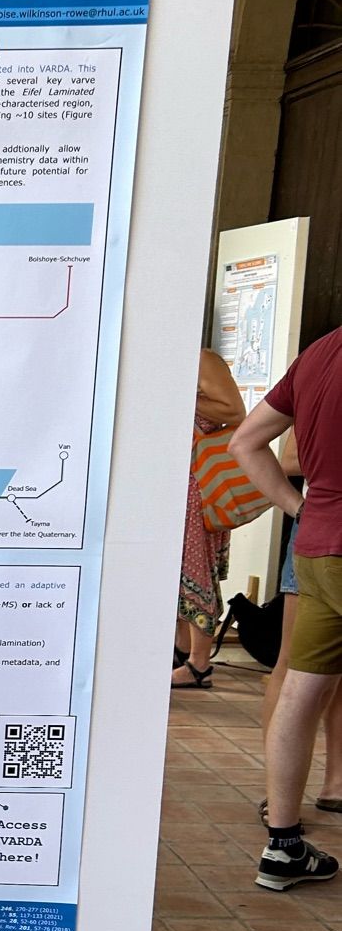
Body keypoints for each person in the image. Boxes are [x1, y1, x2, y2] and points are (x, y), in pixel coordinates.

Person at [232, 325, 342, 889]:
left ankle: (284, 846)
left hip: (319, 545)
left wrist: (301, 508)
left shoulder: (320, 352)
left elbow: (245, 442)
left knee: (302, 688)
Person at [172, 345, 245, 689]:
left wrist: (176, 392)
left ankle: (199, 663)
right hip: (172, 481)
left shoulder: (201, 358)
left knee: (194, 569)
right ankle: (180, 650)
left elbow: (235, 409)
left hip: (195, 483)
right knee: (172, 573)